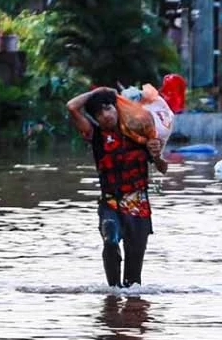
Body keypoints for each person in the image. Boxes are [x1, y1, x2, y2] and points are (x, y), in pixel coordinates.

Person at [66, 87, 167, 288]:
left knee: (133, 279)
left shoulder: (138, 133)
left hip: (139, 207)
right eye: (99, 113)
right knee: (110, 239)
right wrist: (102, 91)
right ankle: (112, 294)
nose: (105, 115)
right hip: (110, 203)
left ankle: (130, 312)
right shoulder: (95, 135)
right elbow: (72, 107)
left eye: (108, 108)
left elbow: (163, 169)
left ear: (117, 108)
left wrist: (156, 155)